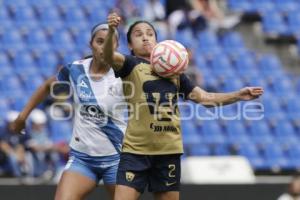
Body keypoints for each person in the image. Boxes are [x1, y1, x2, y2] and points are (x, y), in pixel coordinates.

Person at [104, 12, 264, 200]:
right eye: (138, 34)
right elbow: (107, 56)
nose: (145, 37)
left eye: (150, 33)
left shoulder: (176, 74)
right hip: (136, 151)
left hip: (168, 151)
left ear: (157, 41)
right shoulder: (130, 64)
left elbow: (206, 99)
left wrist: (237, 95)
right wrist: (111, 31)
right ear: (130, 45)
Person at [11, 23, 126, 200]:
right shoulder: (76, 69)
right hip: (83, 160)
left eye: (109, 43)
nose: (104, 47)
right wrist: (22, 117)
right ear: (91, 43)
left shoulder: (125, 74)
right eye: (99, 41)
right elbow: (48, 86)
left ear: (116, 47)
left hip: (117, 159)